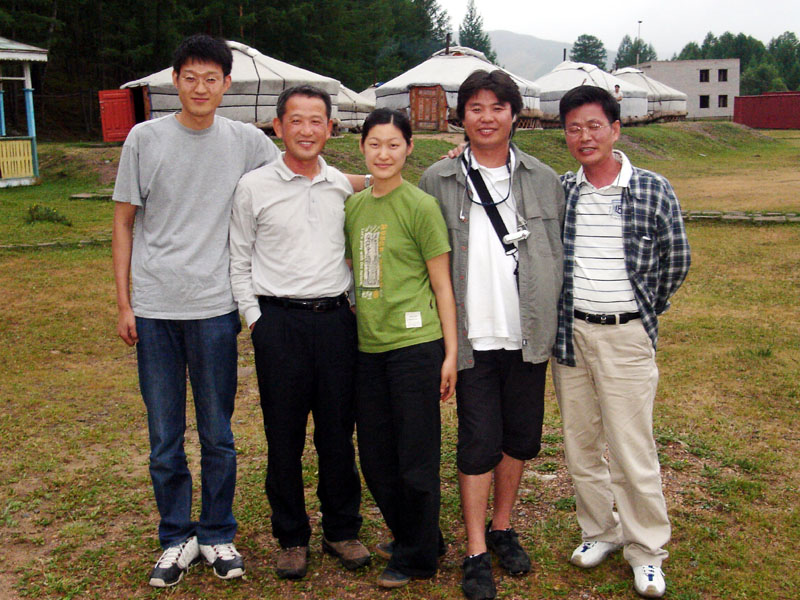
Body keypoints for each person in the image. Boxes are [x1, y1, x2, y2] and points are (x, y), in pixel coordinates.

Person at [112, 34, 279, 587]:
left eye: (211, 79)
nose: (200, 88)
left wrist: (376, 179)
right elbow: (123, 222)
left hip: (214, 308)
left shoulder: (246, 141)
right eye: (190, 78)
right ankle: (175, 537)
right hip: (155, 307)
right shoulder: (144, 138)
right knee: (164, 435)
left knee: (217, 433)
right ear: (174, 81)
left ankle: (216, 532)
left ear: (227, 83)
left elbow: (300, 173)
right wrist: (125, 302)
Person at [419, 70, 565, 600]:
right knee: (478, 441)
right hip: (471, 337)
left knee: (520, 438)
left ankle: (502, 527)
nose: (486, 117)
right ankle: (476, 550)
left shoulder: (544, 179)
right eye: (475, 108)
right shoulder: (438, 179)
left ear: (514, 114)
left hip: (528, 334)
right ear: (462, 116)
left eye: (497, 107)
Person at [553, 85, 690, 599]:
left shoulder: (652, 188)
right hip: (570, 336)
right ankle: (600, 531)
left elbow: (677, 260)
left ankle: (647, 550)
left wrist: (644, 309)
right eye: (574, 128)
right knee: (580, 445)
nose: (584, 137)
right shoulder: (562, 190)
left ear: (615, 129)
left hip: (627, 335)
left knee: (633, 450)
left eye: (594, 126)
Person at [229, 85, 370, 581]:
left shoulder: (342, 186)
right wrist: (256, 320)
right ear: (278, 126)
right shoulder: (254, 187)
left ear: (331, 128)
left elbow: (388, 174)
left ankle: (341, 530)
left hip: (335, 322)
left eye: (316, 121)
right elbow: (239, 259)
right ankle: (291, 537)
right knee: (283, 435)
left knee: (338, 433)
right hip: (278, 324)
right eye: (296, 120)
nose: (306, 130)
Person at [344, 108, 458, 589]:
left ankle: (417, 558)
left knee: (416, 457)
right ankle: (421, 535)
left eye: (393, 144)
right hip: (368, 348)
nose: (383, 153)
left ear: (409, 148)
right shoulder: (354, 206)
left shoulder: (420, 206)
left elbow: (443, 285)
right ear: (362, 147)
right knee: (374, 457)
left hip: (416, 346)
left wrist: (450, 354)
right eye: (374, 143)